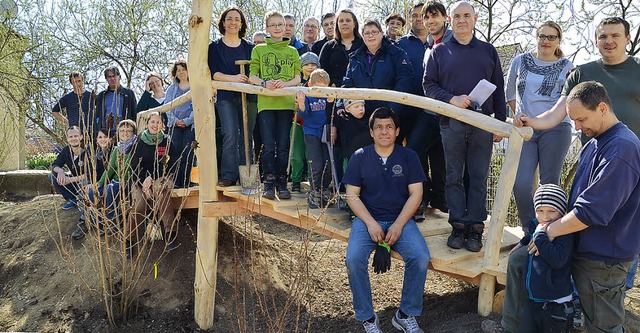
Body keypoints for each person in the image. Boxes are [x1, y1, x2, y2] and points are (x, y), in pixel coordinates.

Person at [484, 82, 640, 333]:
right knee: (520, 262)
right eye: (573, 121)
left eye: (581, 119)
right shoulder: (594, 143)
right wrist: (534, 237)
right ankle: (513, 327)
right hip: (576, 240)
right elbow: (575, 201)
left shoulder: (622, 149)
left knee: (603, 326)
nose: (577, 127)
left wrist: (549, 232)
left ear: (602, 108)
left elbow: (591, 211)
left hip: (604, 257)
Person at [423, 1, 506, 252]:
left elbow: (499, 89)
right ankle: (458, 225)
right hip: (451, 124)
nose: (461, 20)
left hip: (482, 123)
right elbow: (428, 85)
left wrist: (500, 123)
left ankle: (476, 228)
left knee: (479, 178)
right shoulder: (438, 51)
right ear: (450, 19)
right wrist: (452, 99)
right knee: (453, 177)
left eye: (466, 15)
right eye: (457, 16)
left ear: (475, 18)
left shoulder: (488, 50)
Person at [343, 107, 429, 333]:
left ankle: (405, 314)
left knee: (420, 257)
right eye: (379, 127)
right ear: (371, 132)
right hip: (366, 219)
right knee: (353, 260)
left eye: (389, 127)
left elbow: (416, 194)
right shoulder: (360, 157)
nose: (384, 131)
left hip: (401, 218)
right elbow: (351, 195)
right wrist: (370, 223)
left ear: (397, 130)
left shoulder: (409, 156)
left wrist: (399, 224)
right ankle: (368, 318)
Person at [506, 21, 574, 233]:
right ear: (536, 37)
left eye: (552, 37)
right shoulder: (520, 61)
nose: (546, 41)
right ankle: (529, 228)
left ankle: (550, 230)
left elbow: (570, 100)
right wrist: (519, 115)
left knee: (549, 186)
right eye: (542, 36)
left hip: (556, 130)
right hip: (526, 130)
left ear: (558, 40)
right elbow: (509, 92)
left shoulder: (567, 66)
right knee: (520, 183)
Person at [403, 1, 451, 215]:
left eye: (433, 16)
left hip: (448, 110)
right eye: (423, 17)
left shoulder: (451, 41)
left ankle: (440, 199)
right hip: (422, 110)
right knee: (415, 149)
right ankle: (423, 193)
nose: (427, 20)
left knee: (441, 158)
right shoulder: (414, 45)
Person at [249, 10, 301, 200]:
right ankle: (268, 182)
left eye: (281, 25)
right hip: (267, 105)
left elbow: (298, 77)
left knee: (284, 145)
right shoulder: (259, 50)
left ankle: (282, 181)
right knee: (268, 144)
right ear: (267, 28)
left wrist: (285, 84)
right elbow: (251, 75)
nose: (278, 28)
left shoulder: (293, 51)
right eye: (274, 25)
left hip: (286, 104)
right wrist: (264, 83)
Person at [208, 6, 256, 187]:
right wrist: (234, 79)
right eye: (229, 19)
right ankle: (229, 174)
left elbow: (254, 73)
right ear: (223, 22)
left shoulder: (250, 48)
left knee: (247, 136)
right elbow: (214, 73)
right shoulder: (215, 47)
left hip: (248, 97)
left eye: (237, 19)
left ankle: (247, 175)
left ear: (242, 23)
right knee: (230, 134)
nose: (233, 22)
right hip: (226, 96)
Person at [342, 18, 414, 139]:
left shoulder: (397, 54)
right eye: (367, 33)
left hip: (391, 117)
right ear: (363, 36)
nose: (371, 36)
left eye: (374, 32)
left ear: (381, 33)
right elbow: (347, 84)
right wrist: (347, 106)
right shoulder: (354, 59)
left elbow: (405, 82)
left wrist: (390, 111)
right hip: (362, 118)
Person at [520, 184, 575, 333]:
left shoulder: (565, 233)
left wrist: (540, 237)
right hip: (534, 297)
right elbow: (532, 235)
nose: (545, 216)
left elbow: (557, 260)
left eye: (551, 211)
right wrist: (523, 242)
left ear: (562, 211)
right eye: (540, 210)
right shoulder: (537, 225)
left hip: (555, 302)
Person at [129, 112, 179, 258]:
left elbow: (174, 163)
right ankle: (130, 240)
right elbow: (133, 166)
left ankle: (170, 233)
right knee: (138, 205)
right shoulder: (138, 141)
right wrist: (144, 182)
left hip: (161, 177)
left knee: (160, 188)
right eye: (153, 122)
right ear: (147, 124)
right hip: (140, 180)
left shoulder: (167, 140)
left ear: (162, 125)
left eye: (159, 122)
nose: (156, 125)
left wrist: (156, 178)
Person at [87, 121, 136, 232]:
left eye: (128, 131)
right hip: (115, 182)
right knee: (91, 193)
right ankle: (99, 223)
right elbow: (109, 169)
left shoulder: (136, 147)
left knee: (110, 189)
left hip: (129, 182)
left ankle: (111, 223)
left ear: (133, 133)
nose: (125, 133)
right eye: (122, 131)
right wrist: (99, 183)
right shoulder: (116, 149)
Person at [295, 69, 333, 208]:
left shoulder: (328, 96)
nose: (321, 91)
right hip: (311, 132)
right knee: (316, 164)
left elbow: (331, 115)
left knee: (328, 163)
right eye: (318, 87)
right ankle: (314, 190)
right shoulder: (308, 96)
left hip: (326, 131)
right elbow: (303, 116)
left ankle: (323, 189)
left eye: (324, 88)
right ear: (310, 84)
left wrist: (330, 101)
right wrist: (302, 103)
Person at [49, 126, 90, 239]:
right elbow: (55, 165)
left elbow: (90, 173)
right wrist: (61, 171)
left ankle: (84, 220)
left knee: (87, 185)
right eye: (70, 136)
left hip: (86, 181)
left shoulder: (88, 151)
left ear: (81, 137)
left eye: (76, 136)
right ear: (67, 138)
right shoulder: (66, 150)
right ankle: (72, 199)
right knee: (52, 175)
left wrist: (70, 179)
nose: (73, 139)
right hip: (73, 181)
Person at [290, 52, 320, 193]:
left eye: (313, 64)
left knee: (311, 155)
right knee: (297, 154)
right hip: (297, 122)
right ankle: (295, 180)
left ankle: (311, 181)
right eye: (306, 64)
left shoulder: (321, 83)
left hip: (313, 124)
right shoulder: (296, 82)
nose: (310, 67)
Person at [165, 59, 195, 189]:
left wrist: (188, 120)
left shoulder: (194, 86)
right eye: (178, 70)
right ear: (175, 73)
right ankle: (176, 181)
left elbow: (197, 106)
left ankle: (187, 181)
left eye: (183, 69)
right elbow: (167, 107)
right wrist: (175, 120)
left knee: (188, 152)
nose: (181, 72)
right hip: (174, 125)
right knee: (175, 152)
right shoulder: (172, 89)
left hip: (190, 124)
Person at [318, 8, 364, 87]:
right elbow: (321, 72)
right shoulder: (328, 47)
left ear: (355, 24)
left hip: (360, 92)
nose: (344, 23)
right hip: (334, 92)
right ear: (337, 24)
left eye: (348, 20)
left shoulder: (364, 45)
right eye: (341, 21)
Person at [94, 66, 137, 136]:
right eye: (109, 77)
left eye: (114, 76)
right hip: (106, 133)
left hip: (124, 132)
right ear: (106, 79)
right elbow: (97, 115)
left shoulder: (128, 93)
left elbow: (134, 113)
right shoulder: (102, 95)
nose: (112, 79)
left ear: (119, 76)